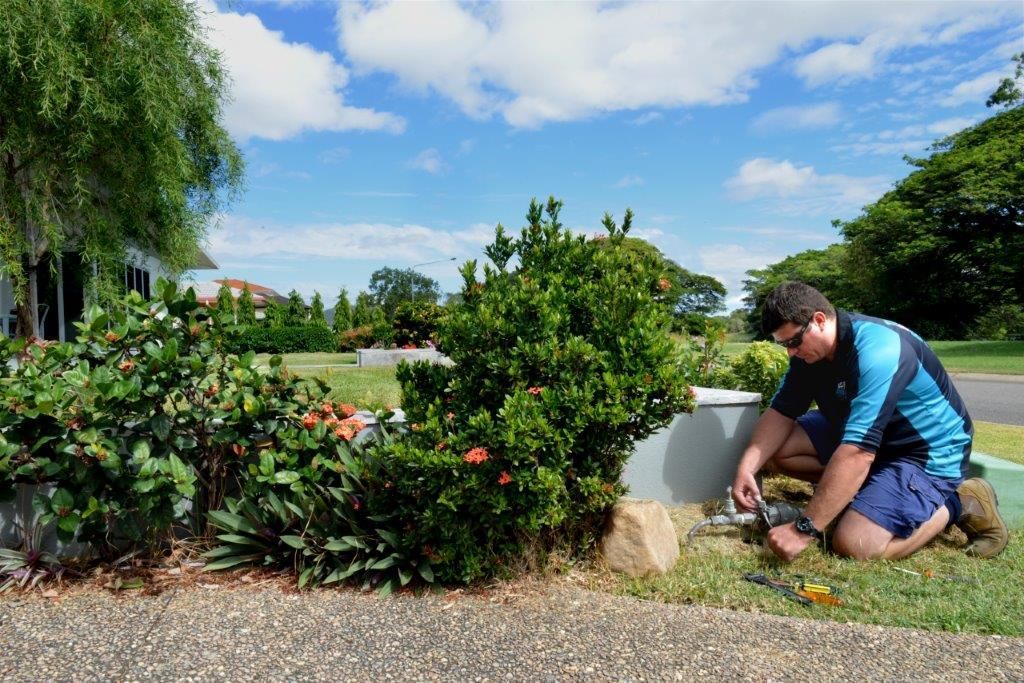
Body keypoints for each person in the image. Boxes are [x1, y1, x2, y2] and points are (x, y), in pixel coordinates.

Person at [732, 282, 1008, 562]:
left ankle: (959, 501)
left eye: (794, 342)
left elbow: (858, 452)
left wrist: (804, 528)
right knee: (778, 449)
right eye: (783, 345)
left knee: (856, 544)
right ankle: (867, 492)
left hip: (925, 452)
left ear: (818, 320)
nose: (791, 352)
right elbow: (781, 413)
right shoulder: (810, 356)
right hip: (866, 435)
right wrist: (747, 468)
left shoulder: (880, 349)